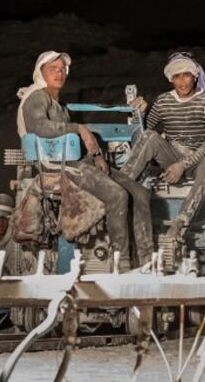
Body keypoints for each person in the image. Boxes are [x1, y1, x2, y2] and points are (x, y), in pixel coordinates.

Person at [18, 50, 133, 269]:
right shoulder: (37, 96)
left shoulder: (57, 104)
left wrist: (96, 155)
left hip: (72, 161)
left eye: (62, 69)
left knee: (132, 188)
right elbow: (39, 126)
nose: (59, 73)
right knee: (118, 195)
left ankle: (137, 256)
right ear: (40, 72)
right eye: (52, 69)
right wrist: (79, 128)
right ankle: (122, 262)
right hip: (58, 165)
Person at [124, 52, 205, 256]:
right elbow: (141, 135)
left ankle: (180, 224)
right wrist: (138, 114)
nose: (182, 81)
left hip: (196, 162)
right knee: (150, 137)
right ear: (171, 79)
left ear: (194, 76)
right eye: (177, 76)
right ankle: (118, 189)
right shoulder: (163, 102)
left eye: (186, 75)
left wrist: (183, 165)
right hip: (170, 157)